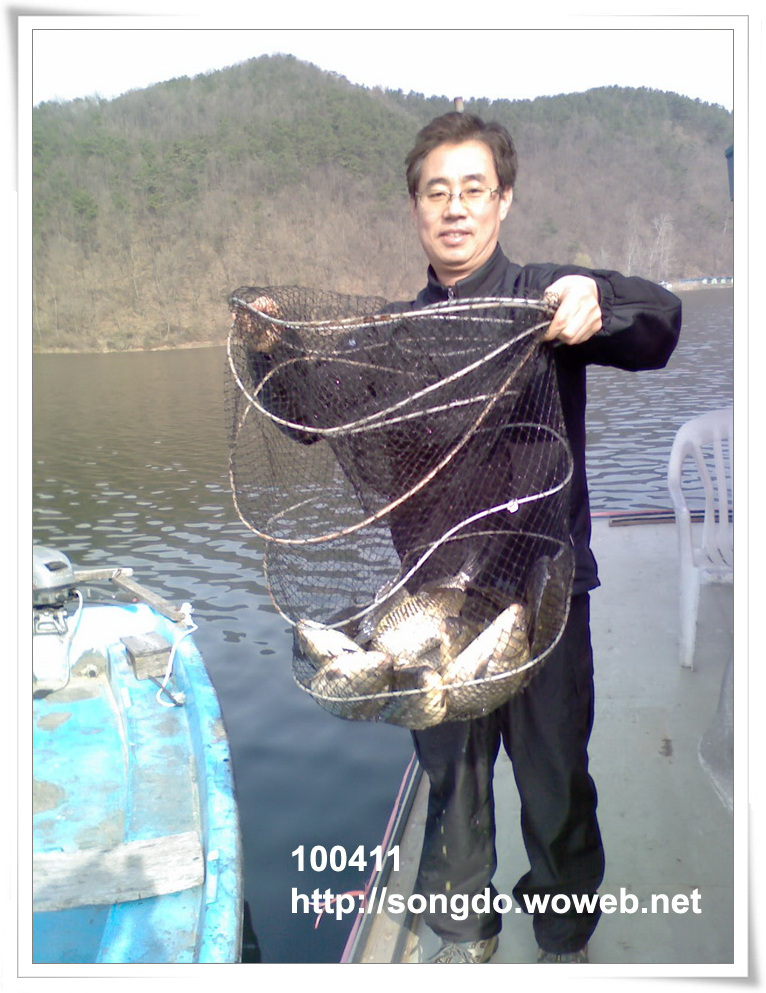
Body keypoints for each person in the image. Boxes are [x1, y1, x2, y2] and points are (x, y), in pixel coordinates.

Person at [401, 111, 682, 964]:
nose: (455, 207)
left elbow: (661, 323)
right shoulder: (397, 335)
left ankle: (563, 933)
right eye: (437, 191)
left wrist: (599, 301)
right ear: (416, 208)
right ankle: (466, 930)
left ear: (504, 200)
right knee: (452, 784)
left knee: (556, 779)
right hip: (439, 609)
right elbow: (308, 416)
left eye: (473, 188)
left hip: (547, 595)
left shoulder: (549, 298)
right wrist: (271, 351)